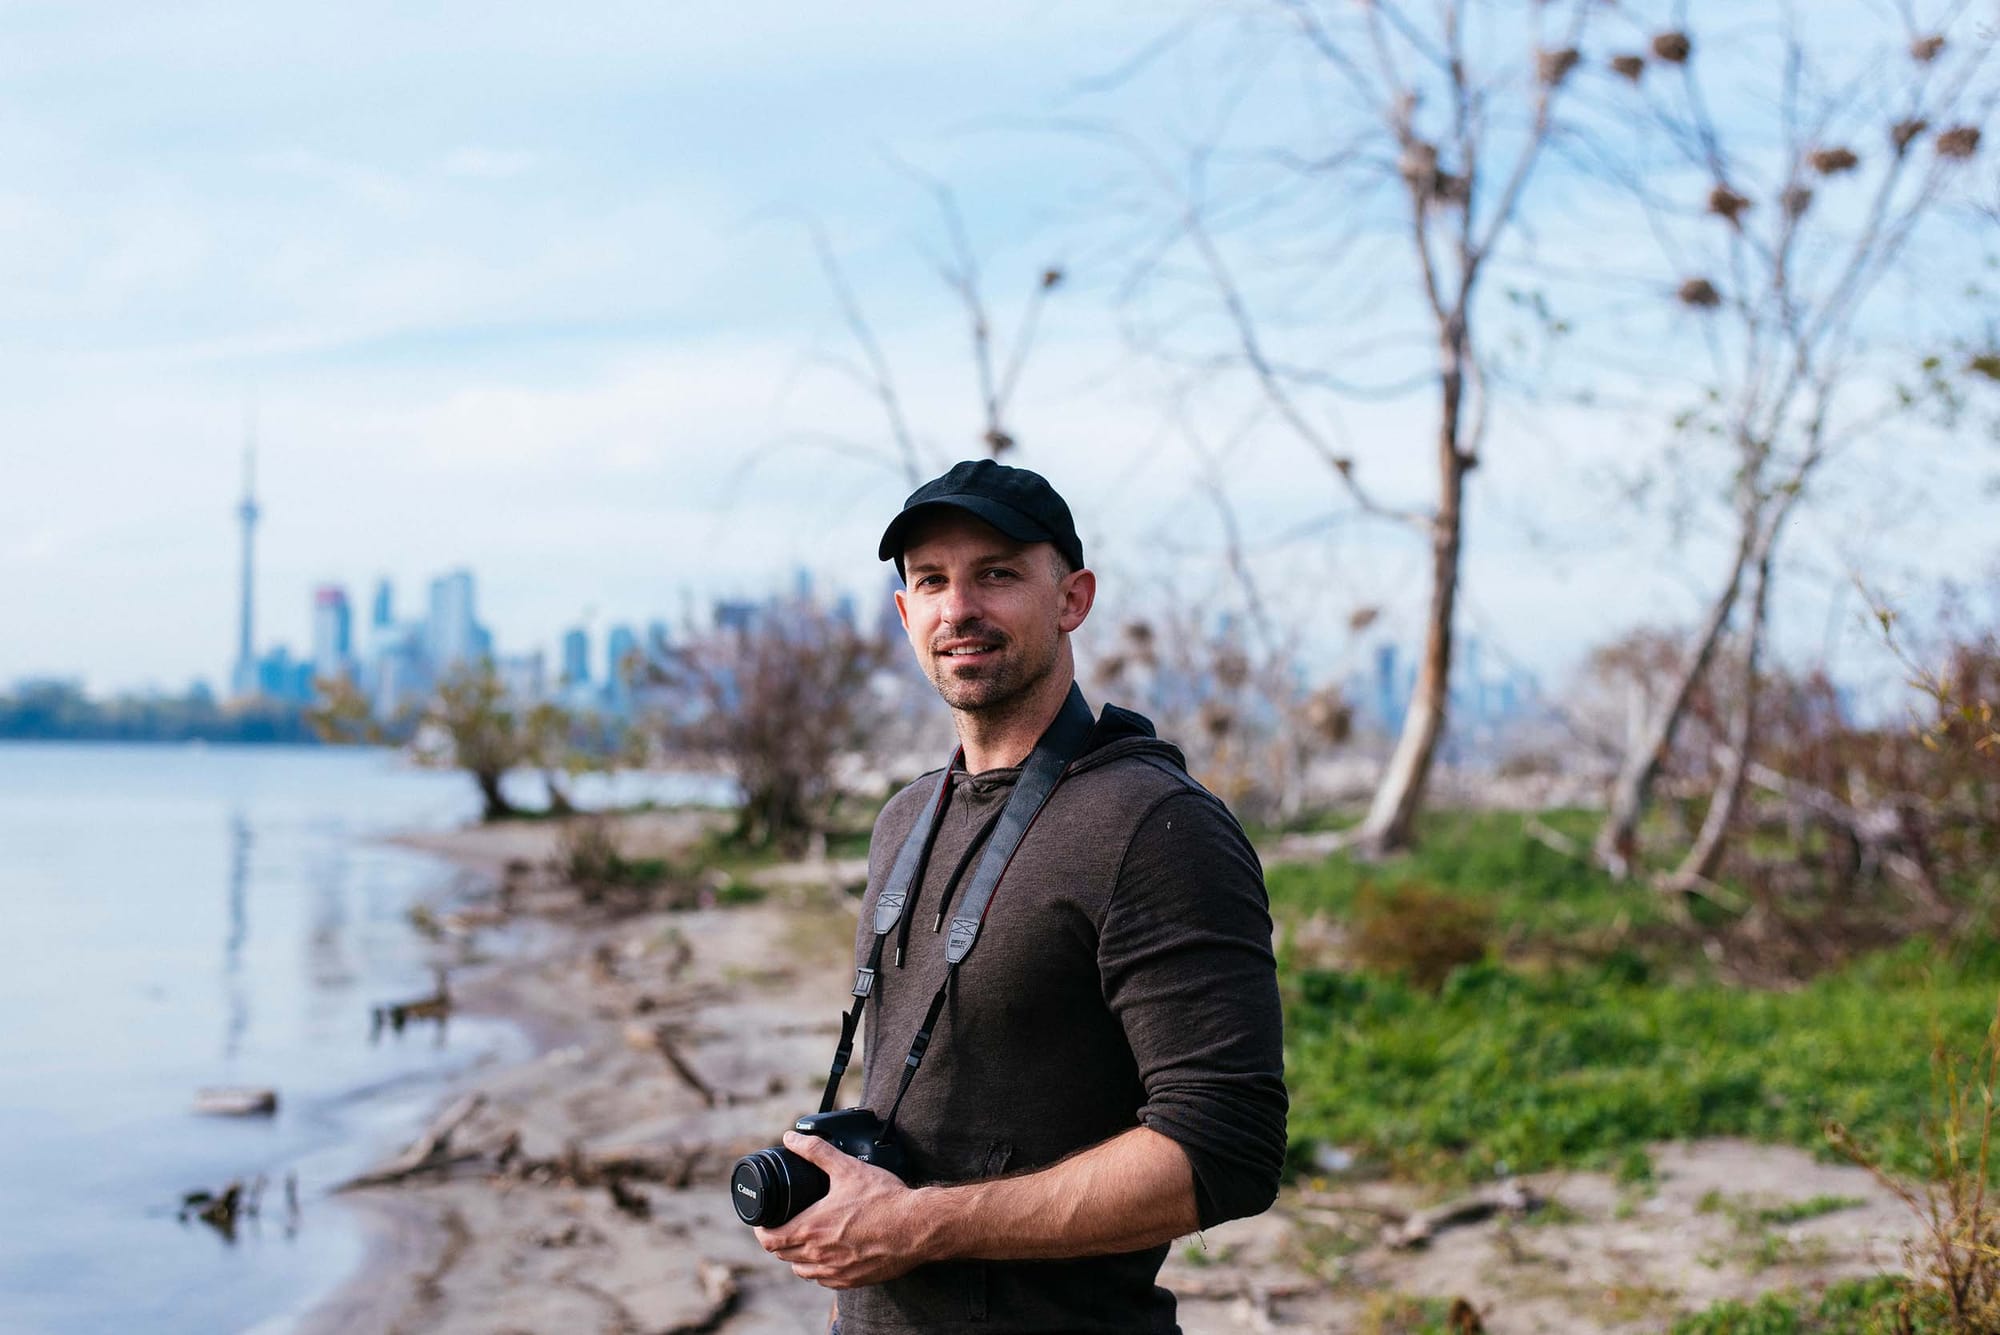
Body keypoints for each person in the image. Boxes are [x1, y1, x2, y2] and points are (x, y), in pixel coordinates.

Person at [756, 459, 1287, 1333]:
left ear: (1072, 598)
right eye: (930, 581)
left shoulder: (1157, 825)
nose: (957, 607)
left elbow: (1226, 1148)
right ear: (904, 613)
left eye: (996, 573)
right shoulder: (903, 818)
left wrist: (917, 1225)